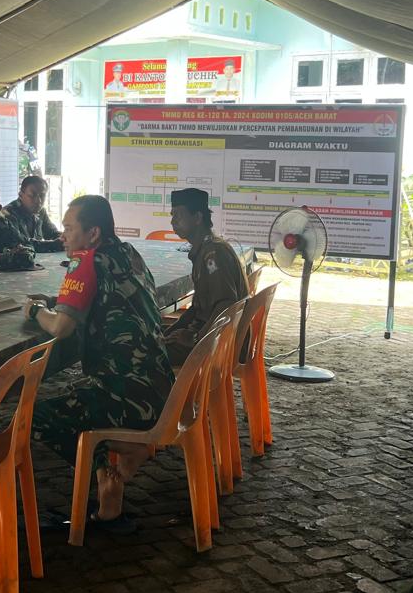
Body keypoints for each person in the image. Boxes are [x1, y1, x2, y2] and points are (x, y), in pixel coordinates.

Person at [24, 195, 174, 530]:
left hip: (126, 398)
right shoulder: (128, 252)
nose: (63, 235)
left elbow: (60, 328)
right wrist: (59, 301)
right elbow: (107, 296)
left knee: (33, 418)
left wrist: (35, 311)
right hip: (161, 391)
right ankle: (120, 464)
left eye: (69, 228)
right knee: (72, 395)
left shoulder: (85, 262)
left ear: (93, 234)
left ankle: (106, 474)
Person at [162, 188, 249, 366]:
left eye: (179, 215)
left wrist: (194, 338)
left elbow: (226, 305)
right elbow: (199, 307)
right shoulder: (206, 248)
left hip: (219, 343)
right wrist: (172, 330)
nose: (173, 221)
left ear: (197, 217)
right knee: (152, 336)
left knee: (144, 355)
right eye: (172, 215)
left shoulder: (213, 253)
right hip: (211, 334)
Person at [0, 175, 64, 253]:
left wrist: (66, 238)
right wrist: (54, 244)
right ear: (21, 195)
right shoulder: (7, 214)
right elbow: (21, 243)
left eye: (42, 196)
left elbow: (52, 233)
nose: (38, 201)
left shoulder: (41, 211)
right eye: (32, 195)